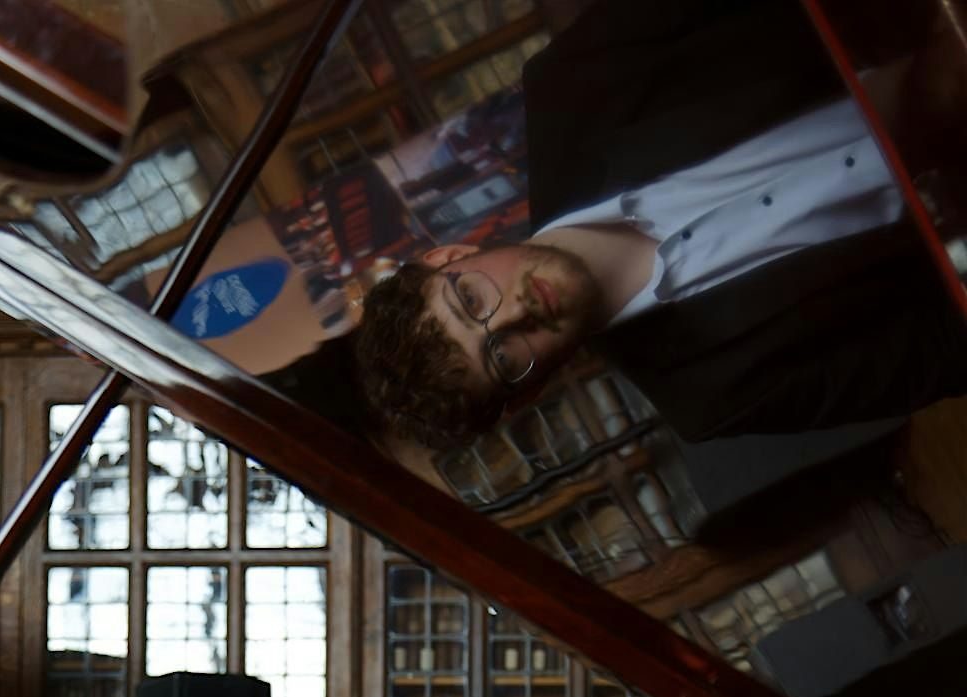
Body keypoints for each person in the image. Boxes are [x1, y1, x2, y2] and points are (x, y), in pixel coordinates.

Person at [354, 0, 967, 452]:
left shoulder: (571, 87)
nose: (515, 313)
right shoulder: (712, 398)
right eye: (501, 356)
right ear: (529, 391)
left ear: (450, 254)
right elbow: (948, 352)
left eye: (470, 299)